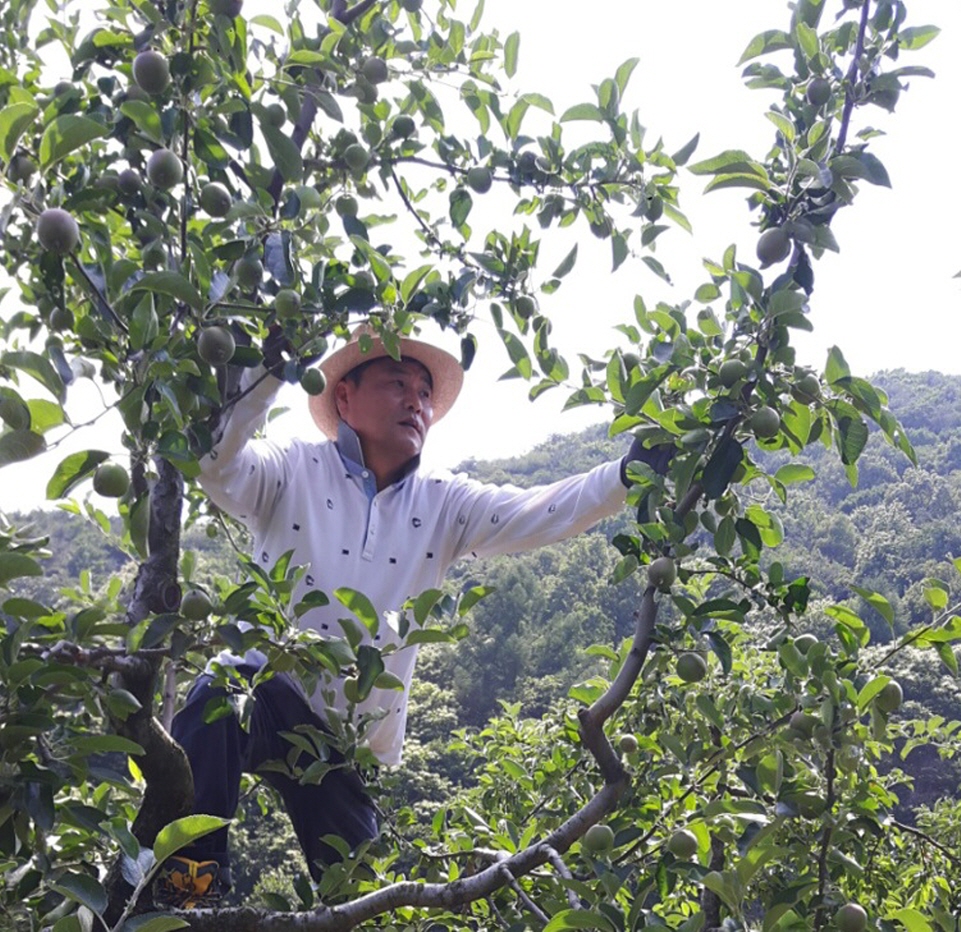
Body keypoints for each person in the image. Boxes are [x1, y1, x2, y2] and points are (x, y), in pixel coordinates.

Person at [155, 325, 666, 908]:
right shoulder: (293, 468)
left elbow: (539, 509)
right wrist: (266, 373)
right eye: (398, 383)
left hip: (344, 742)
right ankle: (187, 887)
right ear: (343, 397)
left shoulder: (443, 502)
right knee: (217, 697)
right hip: (269, 692)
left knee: (359, 893)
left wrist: (626, 475)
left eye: (424, 393)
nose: (416, 403)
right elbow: (219, 465)